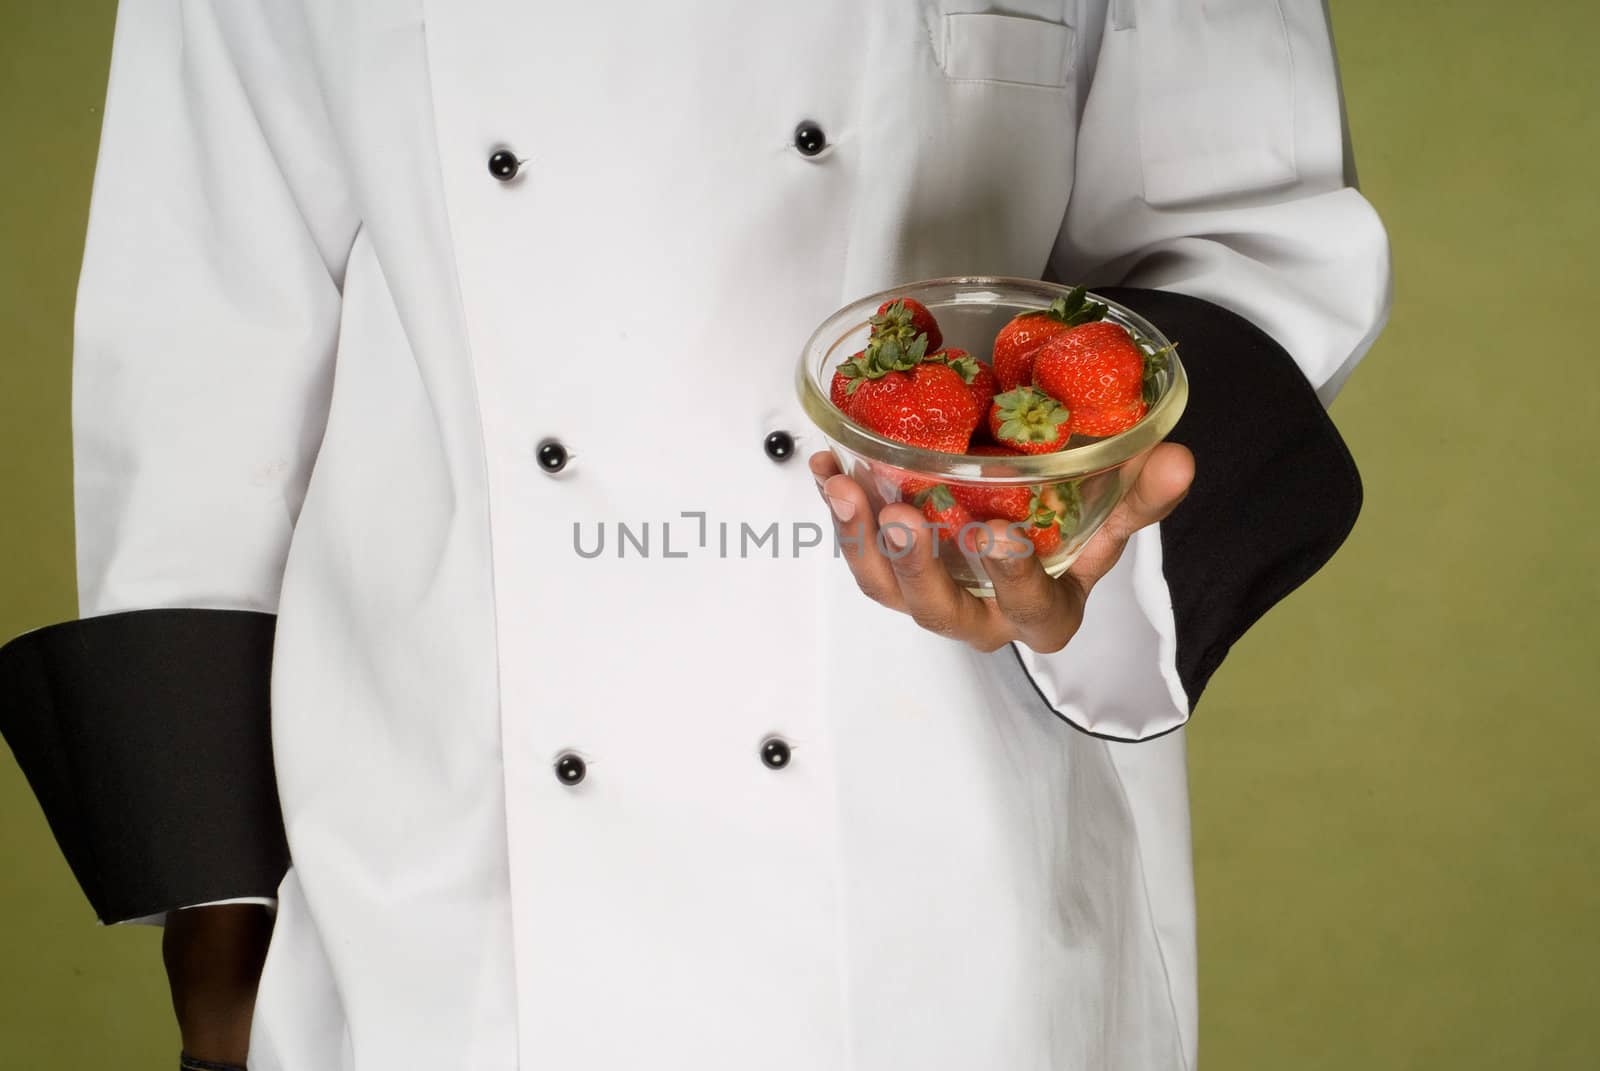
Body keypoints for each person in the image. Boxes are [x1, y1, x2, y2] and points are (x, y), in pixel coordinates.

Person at [0, 1, 1390, 1068]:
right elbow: (208, 321)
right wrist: (215, 909)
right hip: (435, 896)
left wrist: (1076, 541)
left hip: (944, 891)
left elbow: (1242, 223)